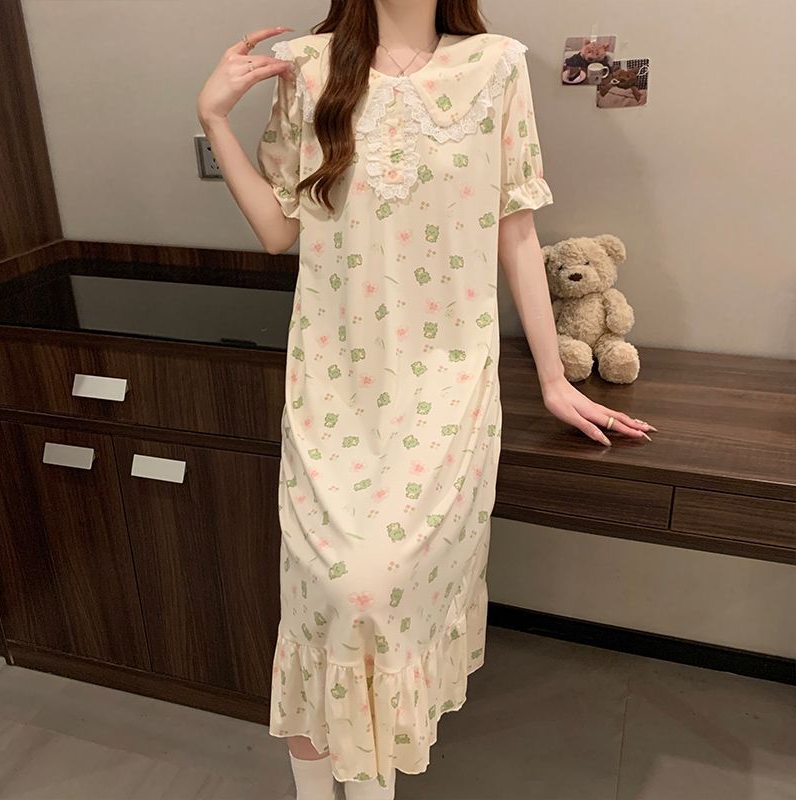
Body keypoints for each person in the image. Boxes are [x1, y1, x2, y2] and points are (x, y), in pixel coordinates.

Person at [197, 3, 655, 798]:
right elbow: (278, 231)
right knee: (322, 604)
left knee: (376, 600)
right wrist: (212, 117)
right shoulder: (308, 67)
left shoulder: (497, 66)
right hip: (332, 385)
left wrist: (552, 379)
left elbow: (516, 229)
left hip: (444, 386)